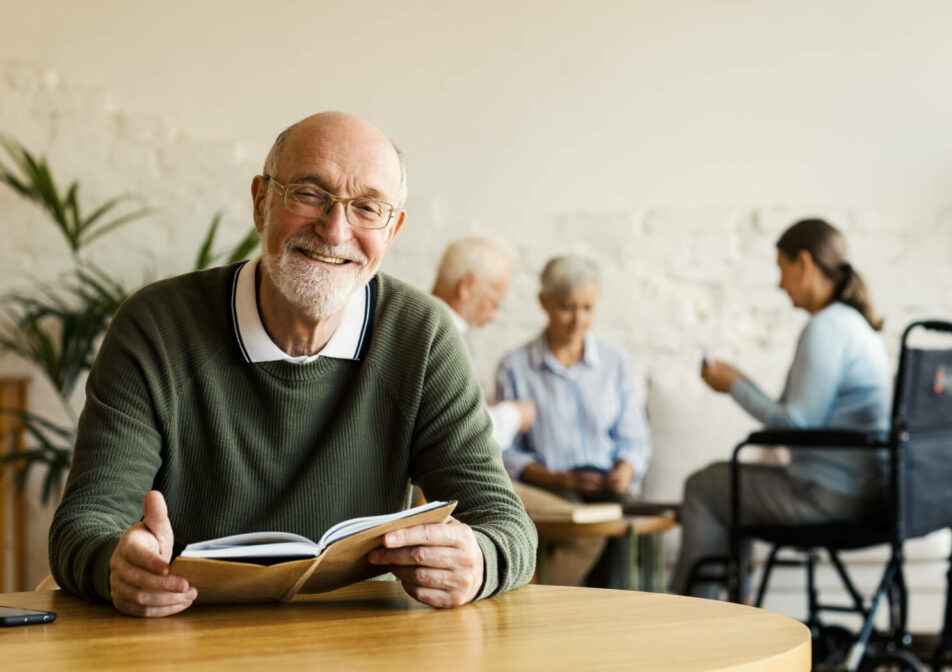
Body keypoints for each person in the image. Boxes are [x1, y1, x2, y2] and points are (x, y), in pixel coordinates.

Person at [48, 112, 536, 617]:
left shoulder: (421, 335)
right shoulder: (156, 327)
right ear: (261, 202)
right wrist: (117, 566)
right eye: (308, 193)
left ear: (392, 231)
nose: (334, 229)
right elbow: (83, 526)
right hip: (185, 634)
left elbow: (506, 524)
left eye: (367, 207)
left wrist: (479, 559)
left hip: (362, 640)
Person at [670, 218, 892, 598]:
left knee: (705, 486)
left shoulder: (827, 327)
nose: (779, 283)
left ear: (804, 263)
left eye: (781, 269)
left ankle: (689, 622)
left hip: (826, 497)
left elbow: (796, 423)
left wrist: (733, 387)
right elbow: (802, 415)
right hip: (863, 492)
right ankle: (731, 614)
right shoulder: (855, 325)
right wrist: (743, 382)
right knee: (726, 487)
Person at [496, 255, 651, 586]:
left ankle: (617, 622)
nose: (578, 319)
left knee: (626, 528)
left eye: (587, 308)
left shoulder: (616, 363)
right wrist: (559, 479)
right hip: (550, 488)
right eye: (567, 307)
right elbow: (503, 453)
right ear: (544, 302)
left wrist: (626, 469)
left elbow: (635, 438)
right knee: (587, 527)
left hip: (607, 485)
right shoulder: (515, 367)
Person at [430, 237, 536, 449]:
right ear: (467, 286)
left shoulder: (420, 324)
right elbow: (467, 435)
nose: (494, 316)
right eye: (495, 302)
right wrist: (515, 415)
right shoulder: (440, 339)